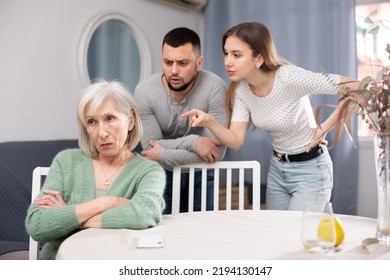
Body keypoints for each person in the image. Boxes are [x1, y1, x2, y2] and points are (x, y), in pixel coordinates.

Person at [182, 21, 360, 211]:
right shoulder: (241, 90)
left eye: (236, 55)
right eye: (226, 53)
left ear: (258, 58)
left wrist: (325, 127)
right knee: (275, 234)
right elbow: (235, 140)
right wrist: (209, 121)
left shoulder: (289, 77)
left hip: (311, 170)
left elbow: (360, 87)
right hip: (277, 170)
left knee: (298, 236)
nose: (227, 62)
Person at [25, 79, 166, 259]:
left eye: (110, 118)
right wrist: (106, 203)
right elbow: (36, 225)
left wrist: (69, 215)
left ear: (130, 121)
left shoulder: (149, 171)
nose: (102, 133)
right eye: (92, 122)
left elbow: (145, 214)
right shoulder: (66, 161)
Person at [134, 27, 228, 214]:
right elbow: (150, 149)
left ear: (199, 62)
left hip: (201, 170)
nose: (174, 71)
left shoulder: (216, 88)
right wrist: (195, 142)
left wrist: (163, 154)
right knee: (163, 231)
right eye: (168, 62)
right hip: (160, 172)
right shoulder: (144, 92)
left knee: (202, 234)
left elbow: (215, 152)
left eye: (183, 63)